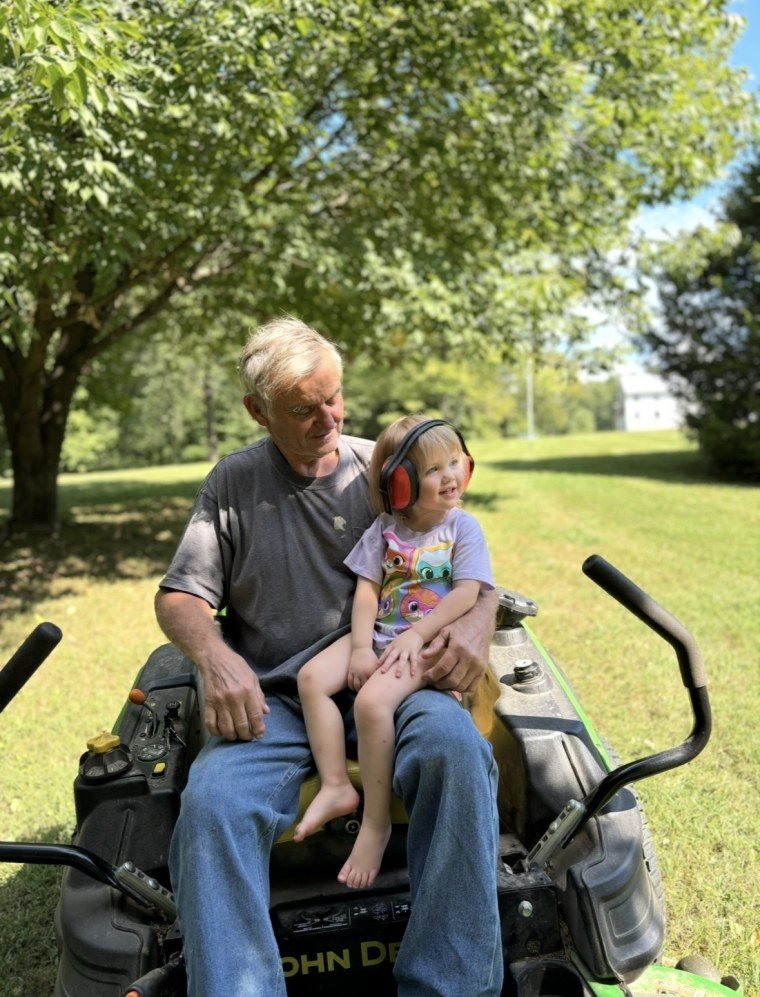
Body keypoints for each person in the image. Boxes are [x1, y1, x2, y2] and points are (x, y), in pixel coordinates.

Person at [155, 316, 503, 997]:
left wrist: (480, 621)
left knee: (456, 752)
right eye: (303, 408)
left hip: (398, 679)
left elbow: (470, 566)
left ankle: (450, 985)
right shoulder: (233, 484)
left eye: (334, 397)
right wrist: (217, 658)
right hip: (280, 699)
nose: (327, 418)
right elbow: (178, 598)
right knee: (212, 802)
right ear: (259, 411)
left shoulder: (388, 468)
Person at [294, 415, 494, 892]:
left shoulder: (463, 529)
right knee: (311, 679)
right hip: (383, 636)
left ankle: (375, 824)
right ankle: (337, 785)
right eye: (432, 470)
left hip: (426, 644)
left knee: (371, 703)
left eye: (454, 463)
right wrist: (361, 648)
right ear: (398, 483)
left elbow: (466, 594)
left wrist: (417, 635)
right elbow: (367, 592)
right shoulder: (386, 529)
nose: (450, 476)